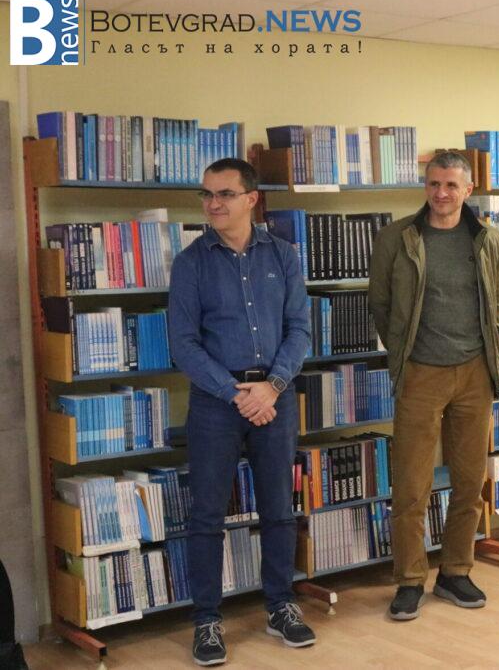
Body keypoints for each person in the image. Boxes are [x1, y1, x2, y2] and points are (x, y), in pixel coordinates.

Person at [169, 158, 314, 666]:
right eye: (207, 194)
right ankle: (207, 620)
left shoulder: (284, 256)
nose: (213, 204)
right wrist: (237, 394)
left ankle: (281, 606)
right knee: (207, 515)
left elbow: (299, 330)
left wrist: (271, 388)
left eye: (224, 194)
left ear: (251, 199)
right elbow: (184, 345)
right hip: (217, 402)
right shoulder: (190, 263)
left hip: (275, 397)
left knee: (278, 509)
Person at [368, 151, 499, 620]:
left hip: (475, 372)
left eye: (450, 185)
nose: (441, 193)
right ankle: (410, 579)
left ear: (468, 189)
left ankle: (455, 571)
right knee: (412, 483)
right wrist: (404, 353)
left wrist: (484, 353)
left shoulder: (488, 238)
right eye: (433, 184)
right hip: (420, 373)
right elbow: (381, 303)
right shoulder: (397, 237)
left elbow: (497, 302)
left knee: (469, 481)